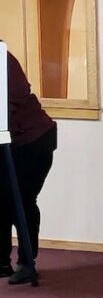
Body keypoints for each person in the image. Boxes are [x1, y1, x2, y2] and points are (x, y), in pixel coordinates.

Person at [0, 50, 58, 285]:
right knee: (1, 201)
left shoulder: (3, 59)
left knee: (21, 201)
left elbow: (13, 100)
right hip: (8, 141)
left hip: (32, 141)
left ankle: (27, 263)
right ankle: (2, 262)